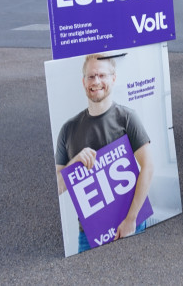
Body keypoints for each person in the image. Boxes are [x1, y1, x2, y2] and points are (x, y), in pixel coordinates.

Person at [55, 54, 154, 252]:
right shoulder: (68, 129)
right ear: (83, 82)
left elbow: (148, 167)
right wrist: (74, 162)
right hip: (89, 234)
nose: (96, 82)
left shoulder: (127, 118)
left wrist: (131, 219)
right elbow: (57, 187)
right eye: (91, 77)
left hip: (129, 224)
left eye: (102, 75)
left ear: (113, 78)